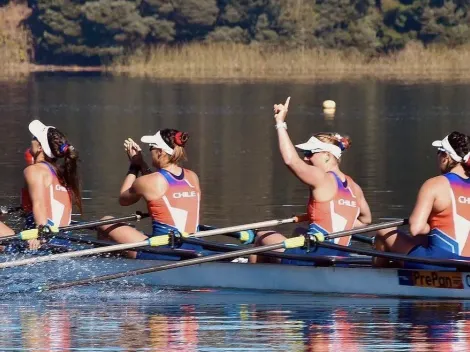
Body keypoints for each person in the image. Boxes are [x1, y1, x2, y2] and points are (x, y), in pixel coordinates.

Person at [249, 97, 372, 264]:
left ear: (328, 156)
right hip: (342, 258)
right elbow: (366, 221)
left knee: (262, 236)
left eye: (309, 154)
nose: (306, 159)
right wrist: (326, 216)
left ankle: (254, 279)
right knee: (299, 230)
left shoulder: (322, 178)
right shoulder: (354, 187)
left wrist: (280, 123)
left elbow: (291, 161)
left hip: (315, 257)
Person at [98, 129, 203, 259]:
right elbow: (159, 187)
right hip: (196, 245)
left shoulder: (150, 182)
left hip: (163, 251)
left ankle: (107, 265)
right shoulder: (192, 177)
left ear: (160, 152)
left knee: (105, 222)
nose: (150, 151)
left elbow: (123, 199)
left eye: (151, 147)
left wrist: (134, 166)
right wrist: (142, 163)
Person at [374, 131, 470, 269]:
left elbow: (416, 228)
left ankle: (379, 280)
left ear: (446, 157)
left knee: (384, 231)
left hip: (441, 262)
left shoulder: (435, 184)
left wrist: (431, 225)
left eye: (439, 152)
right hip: (466, 264)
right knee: (421, 240)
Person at [0, 120, 81, 251]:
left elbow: (39, 204)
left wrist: (39, 236)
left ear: (40, 147)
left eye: (34, 137)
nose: (31, 139)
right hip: (63, 242)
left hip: (42, 243)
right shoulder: (61, 173)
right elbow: (42, 206)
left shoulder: (34, 170)